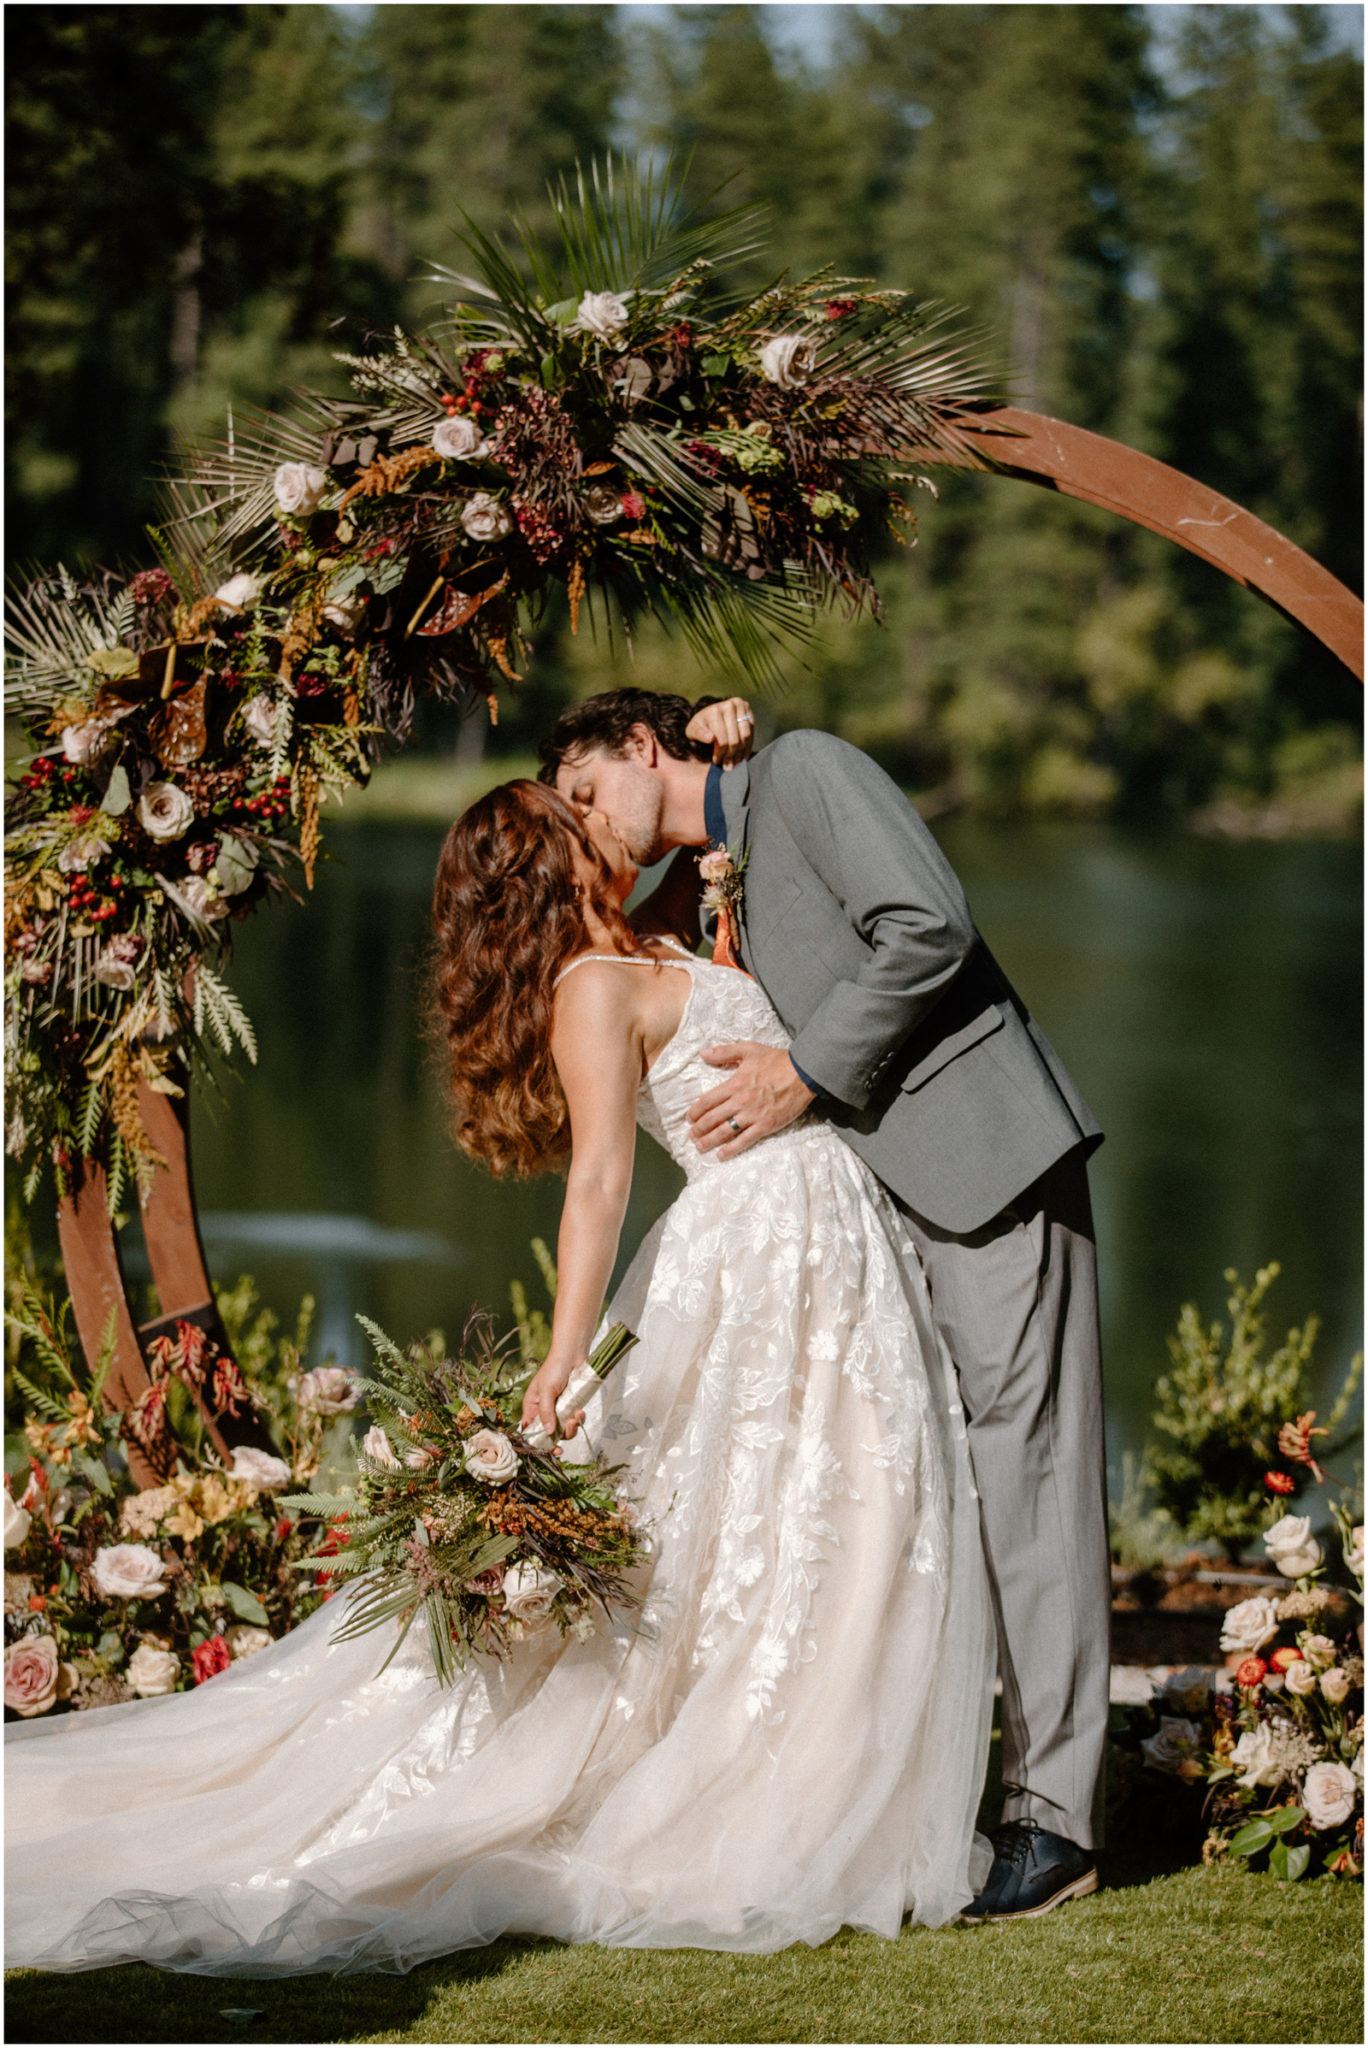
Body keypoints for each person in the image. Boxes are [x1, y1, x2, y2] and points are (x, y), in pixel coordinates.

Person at [4, 703, 996, 1976]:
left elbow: (698, 813)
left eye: (584, 798)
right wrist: (568, 1353)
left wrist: (723, 732)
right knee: (764, 1511)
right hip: (753, 1250)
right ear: (549, 863)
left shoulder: (649, 935)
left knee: (839, 1502)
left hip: (823, 1238)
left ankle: (834, 1754)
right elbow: (597, 1183)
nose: (597, 821)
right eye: (573, 818)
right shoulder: (589, 989)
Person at [541, 688, 1110, 1923]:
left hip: (985, 1161)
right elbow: (611, 953)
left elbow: (929, 923)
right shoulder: (709, 871)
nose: (587, 824)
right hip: (875, 1213)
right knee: (921, 1491)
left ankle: (1056, 1821)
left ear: (642, 745)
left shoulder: (804, 770)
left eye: (587, 792)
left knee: (1029, 1474)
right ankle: (939, 1779)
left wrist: (803, 1071)